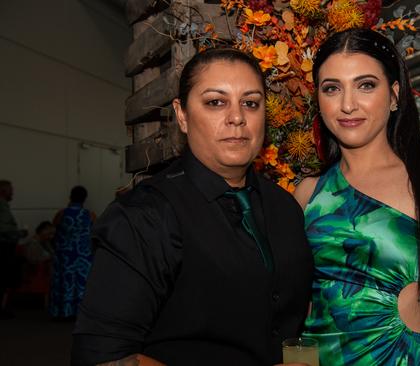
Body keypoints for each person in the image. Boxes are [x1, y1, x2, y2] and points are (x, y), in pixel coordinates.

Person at [71, 48, 313, 366]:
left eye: (251, 103)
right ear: (182, 115)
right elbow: (101, 357)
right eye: (216, 102)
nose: (237, 117)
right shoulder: (145, 216)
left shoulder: (285, 206)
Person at [293, 29, 420, 365]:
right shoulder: (309, 195)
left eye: (366, 85)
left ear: (395, 95)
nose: (347, 104)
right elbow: (303, 313)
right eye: (332, 88)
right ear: (319, 100)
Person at [49, 185, 95, 319]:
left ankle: (62, 311)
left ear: (70, 196)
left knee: (64, 281)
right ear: (84, 199)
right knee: (81, 282)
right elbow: (96, 233)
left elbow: (53, 231)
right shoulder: (90, 215)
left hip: (64, 254)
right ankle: (80, 312)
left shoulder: (61, 214)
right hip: (83, 255)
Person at [0, 180, 28, 318]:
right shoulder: (2, 206)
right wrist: (20, 233)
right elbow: (4, 229)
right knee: (5, 279)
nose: (13, 193)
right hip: (4, 247)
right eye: (11, 190)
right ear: (3, 191)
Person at [15, 221, 55, 300]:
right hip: (34, 271)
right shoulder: (33, 244)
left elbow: (52, 254)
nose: (52, 236)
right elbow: (34, 260)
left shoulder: (45, 243)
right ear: (43, 230)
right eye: (50, 233)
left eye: (53, 234)